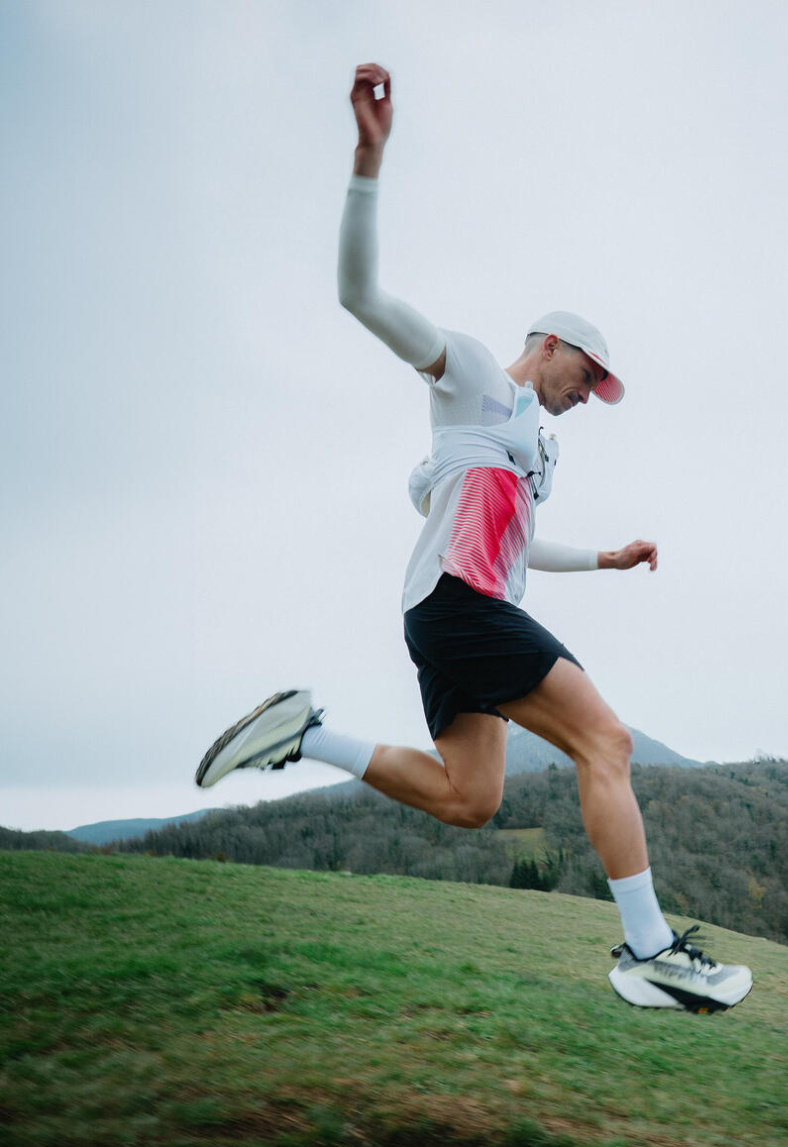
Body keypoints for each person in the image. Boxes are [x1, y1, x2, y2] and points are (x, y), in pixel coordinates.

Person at [195, 63, 752, 1013]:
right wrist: (368, 161)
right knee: (607, 741)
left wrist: (604, 559)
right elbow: (360, 296)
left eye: (602, 387)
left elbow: (516, 548)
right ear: (547, 345)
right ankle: (649, 950)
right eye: (589, 371)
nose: (592, 392)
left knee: (471, 800)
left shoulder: (530, 444)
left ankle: (307, 733)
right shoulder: (480, 383)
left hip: (449, 613)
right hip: (460, 608)